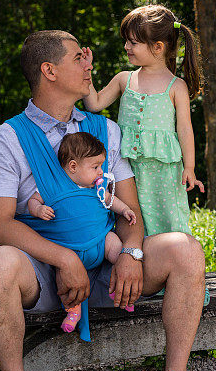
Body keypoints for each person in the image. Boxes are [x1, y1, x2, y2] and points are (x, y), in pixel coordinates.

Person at [0, 29, 215, 371]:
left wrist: (132, 253)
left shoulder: (106, 131)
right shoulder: (6, 139)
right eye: (78, 58)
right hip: (40, 273)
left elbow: (130, 210)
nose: (90, 63)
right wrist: (65, 260)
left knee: (186, 251)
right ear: (48, 71)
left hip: (107, 265)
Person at [82, 4, 204, 236]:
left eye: (133, 42)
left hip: (164, 171)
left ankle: (175, 259)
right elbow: (94, 103)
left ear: (158, 47)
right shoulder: (124, 80)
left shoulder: (176, 86)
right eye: (126, 41)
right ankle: (138, 262)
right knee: (132, 218)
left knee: (168, 216)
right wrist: (87, 71)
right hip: (128, 168)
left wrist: (189, 166)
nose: (126, 47)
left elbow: (185, 129)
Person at [26, 131, 137, 334]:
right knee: (63, 276)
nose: (101, 172)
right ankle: (73, 311)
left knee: (118, 250)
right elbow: (33, 201)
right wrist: (39, 210)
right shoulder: (52, 186)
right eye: (95, 167)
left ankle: (120, 292)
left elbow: (111, 200)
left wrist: (125, 210)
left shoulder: (98, 188)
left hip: (101, 242)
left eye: (101, 166)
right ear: (73, 166)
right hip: (69, 251)